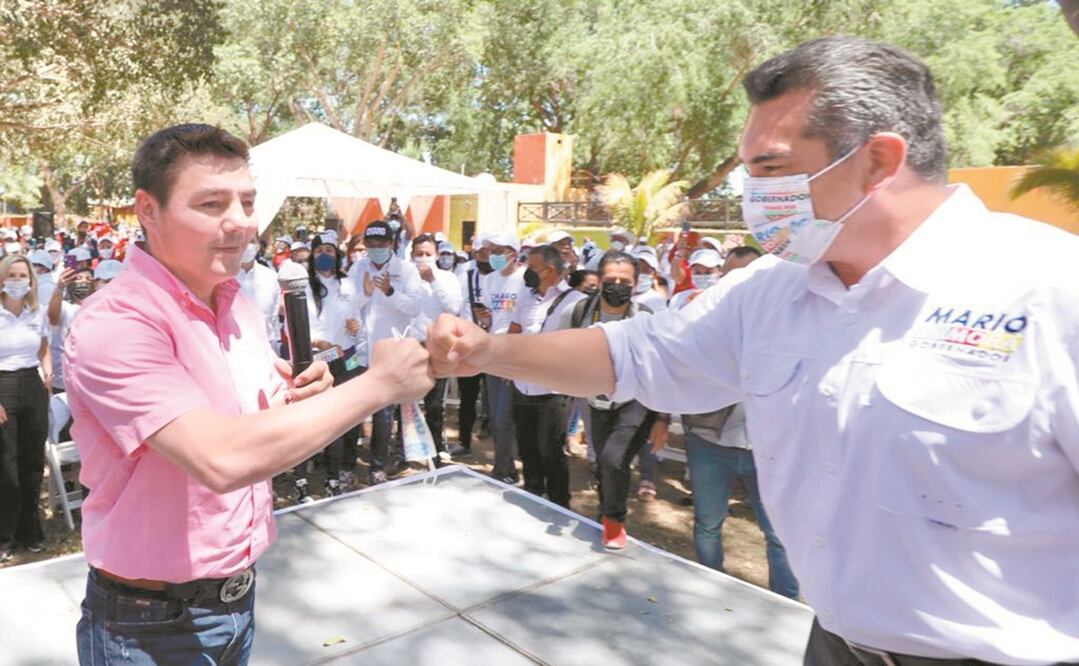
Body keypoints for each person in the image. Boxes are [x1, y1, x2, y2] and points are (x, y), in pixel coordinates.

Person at [428, 36, 1079, 665]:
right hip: (833, 646)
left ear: (877, 162)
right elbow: (635, 355)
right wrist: (487, 352)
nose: (752, 197)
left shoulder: (1049, 291)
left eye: (769, 170)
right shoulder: (770, 292)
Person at [66, 124, 431, 665]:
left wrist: (306, 395)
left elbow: (255, 418)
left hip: (237, 598)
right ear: (148, 210)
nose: (238, 222)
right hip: (149, 625)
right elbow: (220, 456)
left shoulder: (234, 304)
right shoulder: (117, 322)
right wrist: (378, 386)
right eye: (211, 204)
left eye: (247, 201)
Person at [664, 245, 799, 598]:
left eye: (749, 275)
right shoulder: (704, 317)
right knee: (708, 524)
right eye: (731, 276)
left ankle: (784, 604)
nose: (741, 284)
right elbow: (675, 367)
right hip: (710, 441)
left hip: (771, 449)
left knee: (779, 534)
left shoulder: (794, 321)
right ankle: (710, 591)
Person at [562, 251, 656, 549]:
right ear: (599, 280)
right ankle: (606, 513)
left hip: (637, 401)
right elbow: (561, 348)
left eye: (624, 281)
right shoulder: (578, 312)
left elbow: (660, 367)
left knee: (614, 458)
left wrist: (663, 419)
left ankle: (615, 521)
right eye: (610, 280)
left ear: (636, 283)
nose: (617, 286)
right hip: (597, 399)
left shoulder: (645, 317)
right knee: (604, 463)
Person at [349, 219, 425, 484]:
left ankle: (377, 466)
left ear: (391, 244)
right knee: (354, 409)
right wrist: (365, 293)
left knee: (383, 413)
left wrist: (389, 291)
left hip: (391, 351)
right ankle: (347, 464)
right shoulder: (358, 268)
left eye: (380, 244)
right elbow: (348, 305)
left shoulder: (406, 271)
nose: (375, 249)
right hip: (361, 350)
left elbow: (414, 308)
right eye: (370, 244)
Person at [507, 245, 584, 506]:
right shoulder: (525, 296)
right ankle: (533, 495)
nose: (526, 272)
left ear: (549, 270)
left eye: (531, 267)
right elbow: (514, 331)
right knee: (527, 449)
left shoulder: (575, 301)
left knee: (550, 450)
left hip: (551, 390)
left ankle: (559, 503)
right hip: (522, 386)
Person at [290, 230, 362, 500]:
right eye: (319, 251)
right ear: (313, 255)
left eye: (329, 251)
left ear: (337, 254)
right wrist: (321, 344)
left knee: (339, 420)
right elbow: (301, 325)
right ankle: (300, 481)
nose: (324, 255)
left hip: (345, 360)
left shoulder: (348, 284)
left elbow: (355, 325)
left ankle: (333, 477)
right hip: (315, 361)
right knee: (308, 421)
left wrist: (355, 329)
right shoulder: (305, 285)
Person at [0, 255, 51, 562]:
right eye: (12, 274)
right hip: (3, 385)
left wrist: (48, 374)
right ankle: (4, 536)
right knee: (6, 468)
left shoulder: (38, 311)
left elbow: (43, 345)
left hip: (33, 384)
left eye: (23, 275)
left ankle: (30, 533)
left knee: (33, 464)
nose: (17, 280)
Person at [410, 234, 464, 464]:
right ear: (411, 254)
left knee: (434, 403)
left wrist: (433, 280)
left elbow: (453, 308)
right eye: (419, 254)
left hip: (437, 346)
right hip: (410, 345)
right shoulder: (405, 277)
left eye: (428, 254)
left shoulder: (448, 278)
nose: (423, 258)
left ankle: (436, 447)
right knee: (405, 401)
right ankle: (405, 449)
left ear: (436, 255)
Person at [478, 233, 525, 483]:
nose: (494, 255)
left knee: (504, 415)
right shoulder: (490, 280)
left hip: (515, 354)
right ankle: (504, 466)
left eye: (500, 250)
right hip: (492, 351)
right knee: (495, 416)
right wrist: (484, 319)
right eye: (492, 250)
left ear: (513, 253)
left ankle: (503, 468)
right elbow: (490, 317)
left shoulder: (525, 279)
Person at [449, 236, 493, 458]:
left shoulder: (504, 277)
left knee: (496, 398)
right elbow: (456, 307)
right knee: (468, 397)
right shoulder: (464, 273)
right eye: (481, 251)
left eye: (489, 251)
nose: (484, 254)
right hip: (470, 345)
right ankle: (464, 441)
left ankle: (499, 450)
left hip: (496, 346)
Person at [235, 239, 281, 354]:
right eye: (245, 239)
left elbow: (273, 315)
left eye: (252, 241)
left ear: (258, 246)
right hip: (233, 346)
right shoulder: (224, 276)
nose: (247, 246)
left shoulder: (271, 277)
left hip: (265, 347)